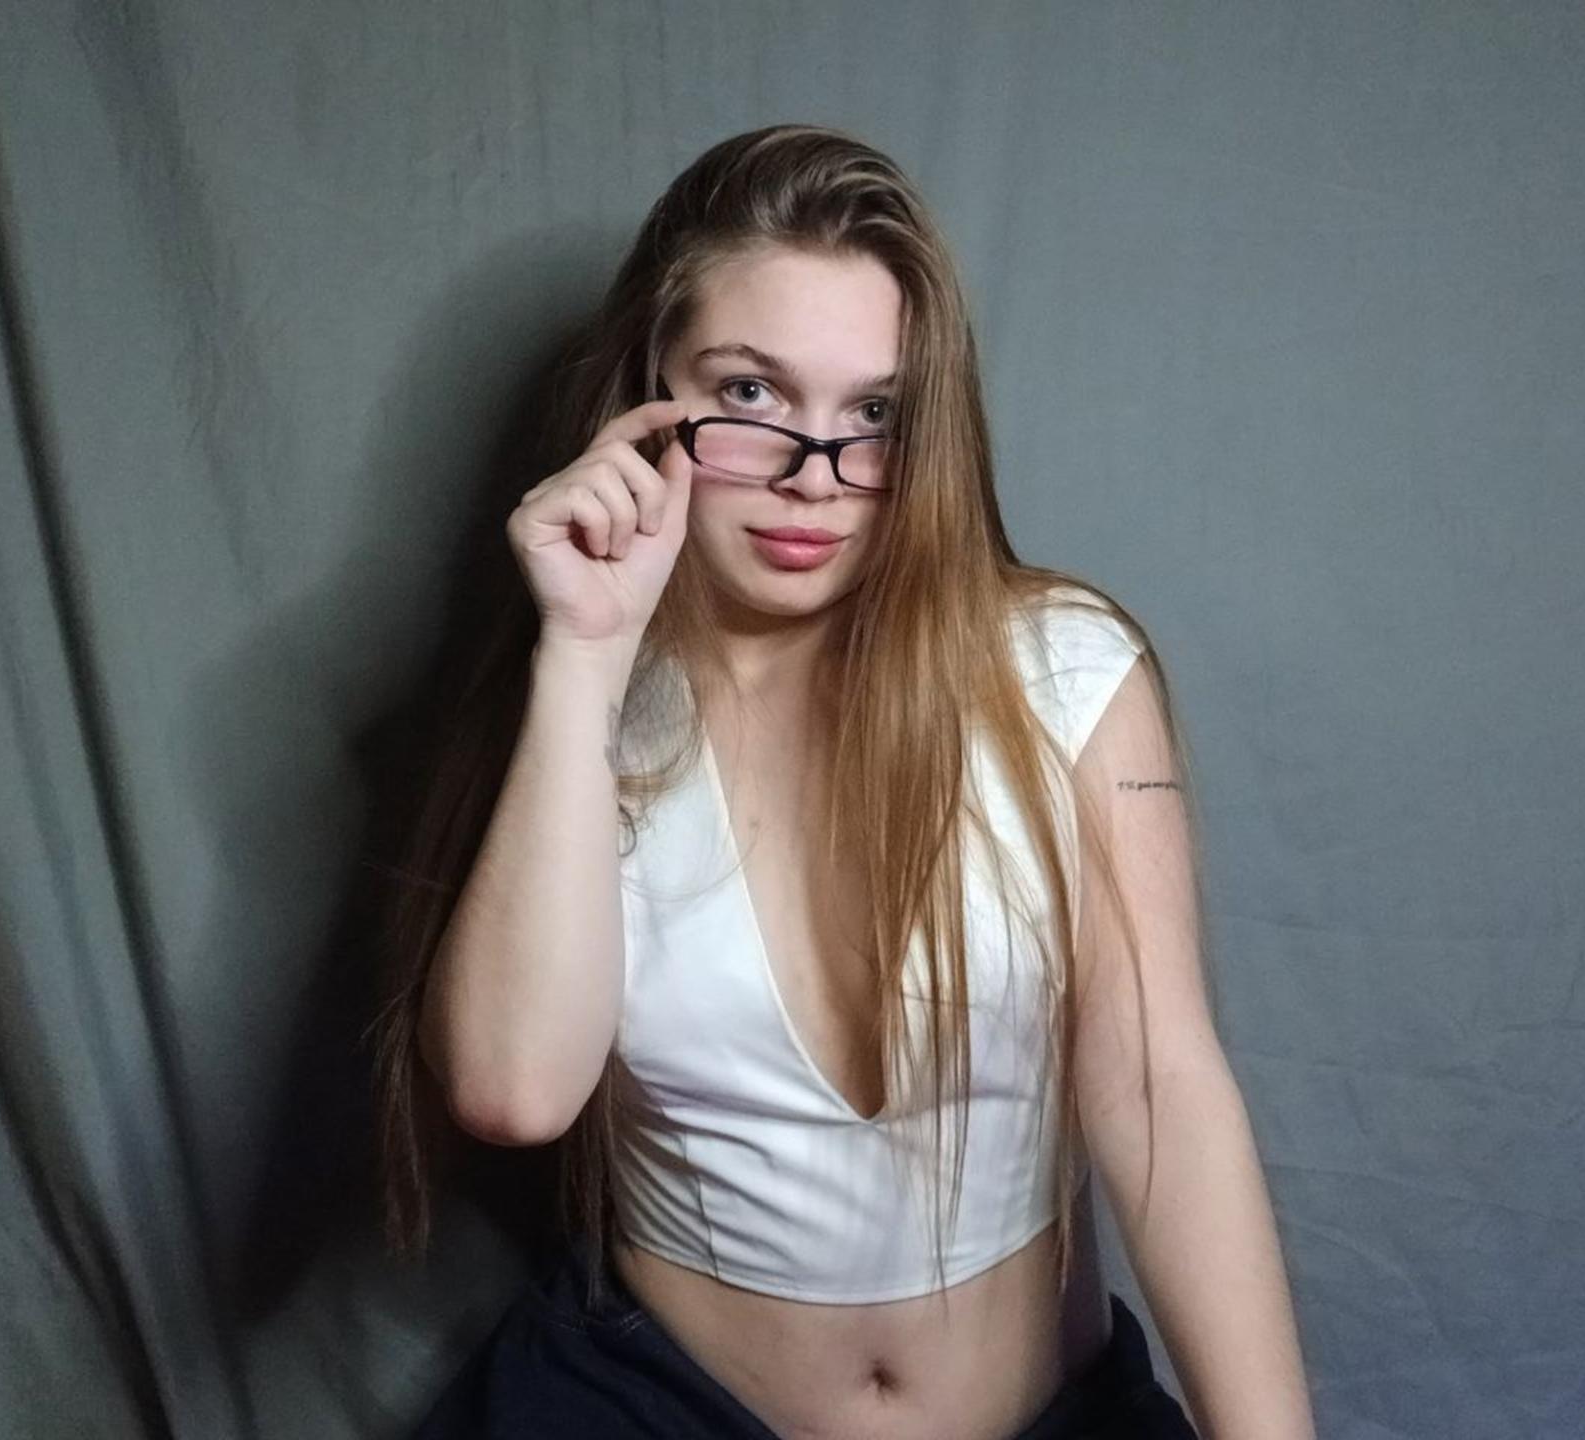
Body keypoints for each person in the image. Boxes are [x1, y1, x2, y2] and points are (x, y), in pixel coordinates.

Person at [369, 123, 1316, 1440]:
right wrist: (583, 660)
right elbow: (512, 1091)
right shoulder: (581, 708)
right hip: (654, 1410)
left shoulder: (1067, 675)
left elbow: (1159, 1090)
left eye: (873, 414)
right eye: (752, 394)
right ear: (649, 388)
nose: (815, 478)